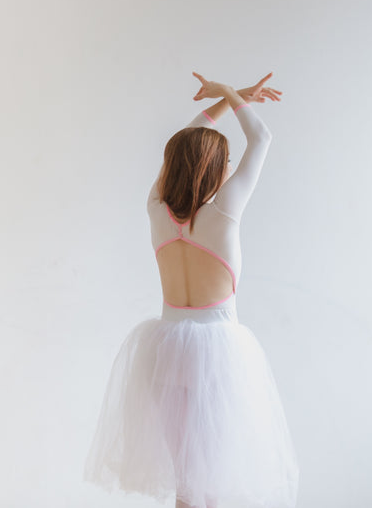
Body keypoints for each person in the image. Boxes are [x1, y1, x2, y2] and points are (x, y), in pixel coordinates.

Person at [82, 73, 300, 508]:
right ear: (215, 167)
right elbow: (262, 137)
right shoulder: (224, 211)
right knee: (213, 484)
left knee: (188, 485)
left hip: (164, 351)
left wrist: (224, 99)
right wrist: (230, 93)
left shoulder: (157, 208)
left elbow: (184, 140)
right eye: (225, 160)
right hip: (218, 353)